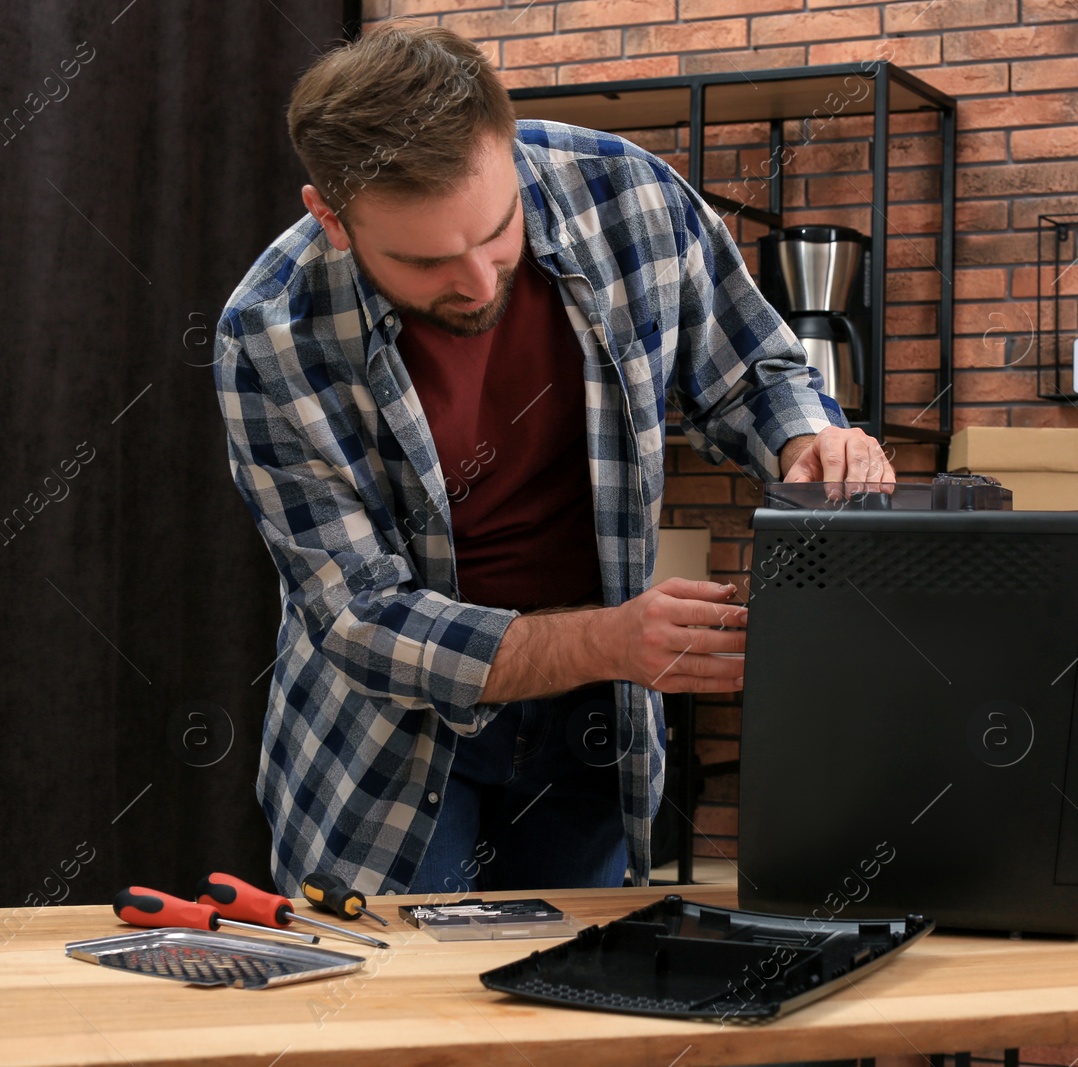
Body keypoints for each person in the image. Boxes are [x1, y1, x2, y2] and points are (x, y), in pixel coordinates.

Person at [211, 21, 894, 897]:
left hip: (595, 727)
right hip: (388, 750)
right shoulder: (270, 331)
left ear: (508, 149)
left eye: (498, 232)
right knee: (405, 1028)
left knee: (572, 1005)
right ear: (332, 219)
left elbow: (752, 370)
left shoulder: (629, 194)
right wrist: (613, 638)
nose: (481, 282)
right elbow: (361, 618)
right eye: (426, 261)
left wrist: (810, 441)